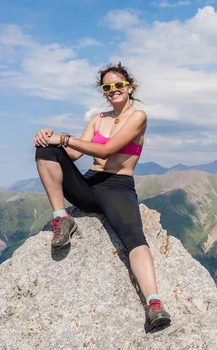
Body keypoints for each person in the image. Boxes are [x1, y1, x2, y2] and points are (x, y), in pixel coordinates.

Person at [33, 62, 170, 330]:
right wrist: (48, 138)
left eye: (119, 85)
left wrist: (63, 138)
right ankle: (62, 219)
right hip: (90, 183)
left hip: (118, 187)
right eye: (107, 87)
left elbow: (107, 151)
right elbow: (73, 155)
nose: (113, 90)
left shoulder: (138, 117)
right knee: (45, 151)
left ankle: (154, 304)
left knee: (134, 239)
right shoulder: (97, 119)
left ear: (130, 87)